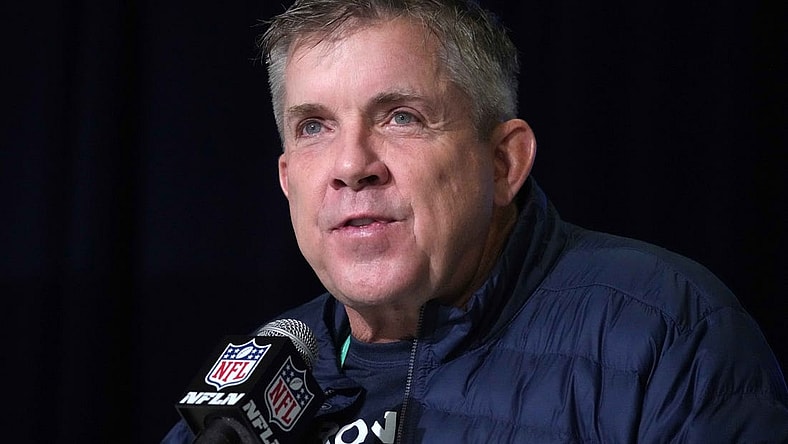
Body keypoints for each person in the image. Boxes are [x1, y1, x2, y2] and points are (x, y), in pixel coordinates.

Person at [164, 0, 788, 442]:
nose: (351, 166)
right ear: (285, 179)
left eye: (400, 116)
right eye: (314, 127)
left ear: (503, 162)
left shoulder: (668, 333)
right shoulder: (254, 381)